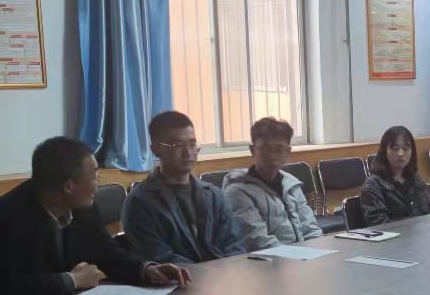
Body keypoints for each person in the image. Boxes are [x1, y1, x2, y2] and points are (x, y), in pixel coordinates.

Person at [0, 136, 189, 295]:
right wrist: (72, 280)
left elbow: (106, 251)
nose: (97, 183)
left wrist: (146, 269)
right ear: (69, 186)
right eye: (93, 175)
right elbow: (0, 288)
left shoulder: (83, 206)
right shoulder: (0, 218)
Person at [123, 110, 245, 264]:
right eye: (177, 145)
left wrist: (229, 271)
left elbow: (234, 243)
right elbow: (160, 258)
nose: (188, 153)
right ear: (155, 149)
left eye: (192, 144)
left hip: (225, 274)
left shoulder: (213, 194)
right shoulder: (140, 202)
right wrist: (209, 273)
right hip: (181, 277)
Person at [222, 116, 320, 251]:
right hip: (265, 261)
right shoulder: (237, 192)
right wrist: (301, 257)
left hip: (301, 257)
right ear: (252, 151)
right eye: (265, 148)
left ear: (288, 152)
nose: (272, 156)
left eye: (279, 149)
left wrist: (320, 252)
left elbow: (310, 228)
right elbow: (258, 242)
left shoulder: (290, 184)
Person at [359, 125, 430, 226]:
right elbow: (379, 224)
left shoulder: (415, 178)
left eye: (406, 148)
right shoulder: (373, 185)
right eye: (395, 148)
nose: (400, 153)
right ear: (384, 151)